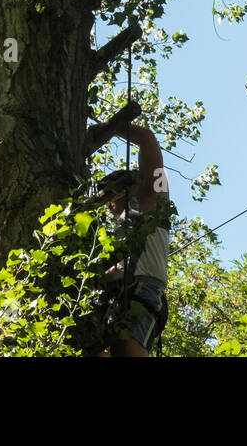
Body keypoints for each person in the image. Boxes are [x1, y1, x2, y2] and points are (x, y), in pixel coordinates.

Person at [97, 123, 174, 357]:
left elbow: (147, 139)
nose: (110, 208)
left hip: (144, 289)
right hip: (116, 296)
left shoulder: (156, 195)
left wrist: (109, 127)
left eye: (110, 199)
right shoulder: (119, 230)